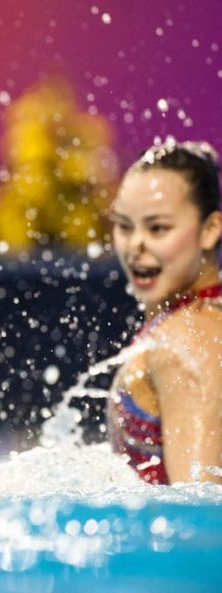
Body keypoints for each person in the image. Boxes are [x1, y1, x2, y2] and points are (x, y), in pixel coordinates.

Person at [107, 138, 222, 484]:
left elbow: (200, 507)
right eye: (124, 226)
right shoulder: (193, 323)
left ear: (210, 230)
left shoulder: (186, 342)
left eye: (158, 228)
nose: (135, 245)